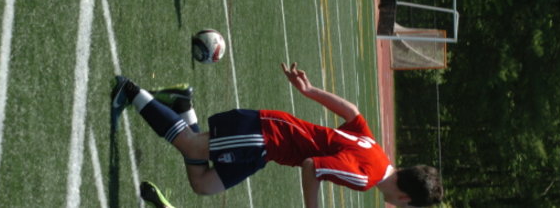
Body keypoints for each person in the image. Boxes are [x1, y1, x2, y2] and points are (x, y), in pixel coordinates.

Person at [111, 63, 444, 207]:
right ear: (405, 199)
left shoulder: (378, 155)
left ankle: (182, 104)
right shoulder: (365, 177)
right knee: (190, 145)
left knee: (204, 184)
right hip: (265, 135)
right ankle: (129, 90)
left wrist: (311, 91)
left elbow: (352, 112)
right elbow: (313, 166)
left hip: (267, 149)